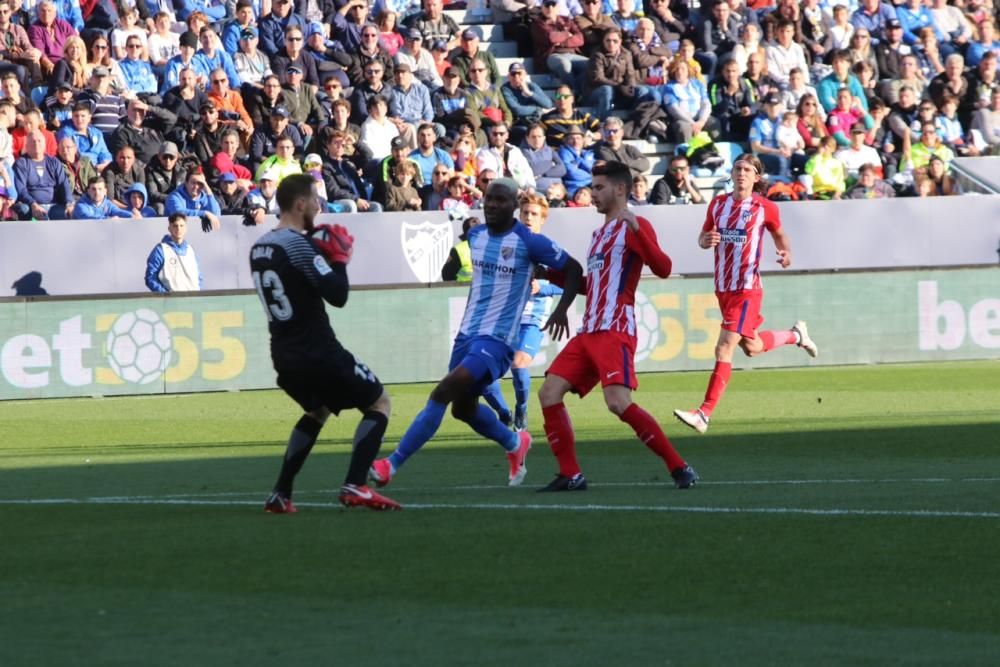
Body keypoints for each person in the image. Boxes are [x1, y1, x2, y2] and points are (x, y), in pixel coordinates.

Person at [369, 178, 583, 489]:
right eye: (488, 199)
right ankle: (514, 442)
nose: (493, 204)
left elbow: (573, 268)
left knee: (442, 392)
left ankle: (391, 464)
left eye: (500, 200)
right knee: (462, 408)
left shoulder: (529, 241)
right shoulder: (475, 236)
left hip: (498, 341)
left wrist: (562, 308)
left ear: (514, 205)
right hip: (467, 334)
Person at [536, 160, 698, 492]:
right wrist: (548, 272)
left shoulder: (634, 226)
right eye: (592, 187)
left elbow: (664, 268)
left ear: (620, 189)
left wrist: (638, 229)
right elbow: (590, 286)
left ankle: (679, 467)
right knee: (549, 392)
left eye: (598, 187)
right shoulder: (598, 235)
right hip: (589, 330)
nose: (592, 193)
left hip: (614, 328)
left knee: (617, 403)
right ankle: (571, 474)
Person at [250, 172, 400, 513]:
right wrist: (339, 261)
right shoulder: (297, 245)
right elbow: (337, 294)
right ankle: (356, 484)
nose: (319, 207)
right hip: (317, 349)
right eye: (316, 200)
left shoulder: (260, 246)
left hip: (283, 353)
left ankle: (281, 494)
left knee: (317, 411)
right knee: (379, 403)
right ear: (300, 203)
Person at [673, 153, 817, 436]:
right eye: (737, 168)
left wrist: (786, 252)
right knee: (751, 347)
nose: (741, 173)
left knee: (723, 348)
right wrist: (706, 240)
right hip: (723, 289)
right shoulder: (717, 204)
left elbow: (779, 234)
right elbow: (703, 238)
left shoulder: (765, 207)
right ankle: (795, 335)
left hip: (747, 289)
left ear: (756, 177)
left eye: (747, 170)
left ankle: (704, 413)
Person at [145, 213, 202, 293]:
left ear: (186, 228)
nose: (179, 229)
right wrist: (166, 296)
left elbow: (198, 277)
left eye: (182, 225)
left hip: (193, 301)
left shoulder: (190, 250)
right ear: (169, 228)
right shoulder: (161, 250)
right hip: (172, 303)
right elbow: (150, 278)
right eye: (175, 226)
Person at [72, 176, 137, 219]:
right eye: (93, 189)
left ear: (105, 191)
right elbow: (88, 218)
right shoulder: (81, 205)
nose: (97, 192)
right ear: (88, 191)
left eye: (100, 189)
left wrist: (131, 216)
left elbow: (118, 212)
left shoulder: (108, 204)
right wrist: (108, 219)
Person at [440, 215, 478, 282]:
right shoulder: (459, 249)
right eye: (474, 222)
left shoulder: (491, 246)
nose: (478, 223)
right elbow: (447, 275)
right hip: (464, 289)